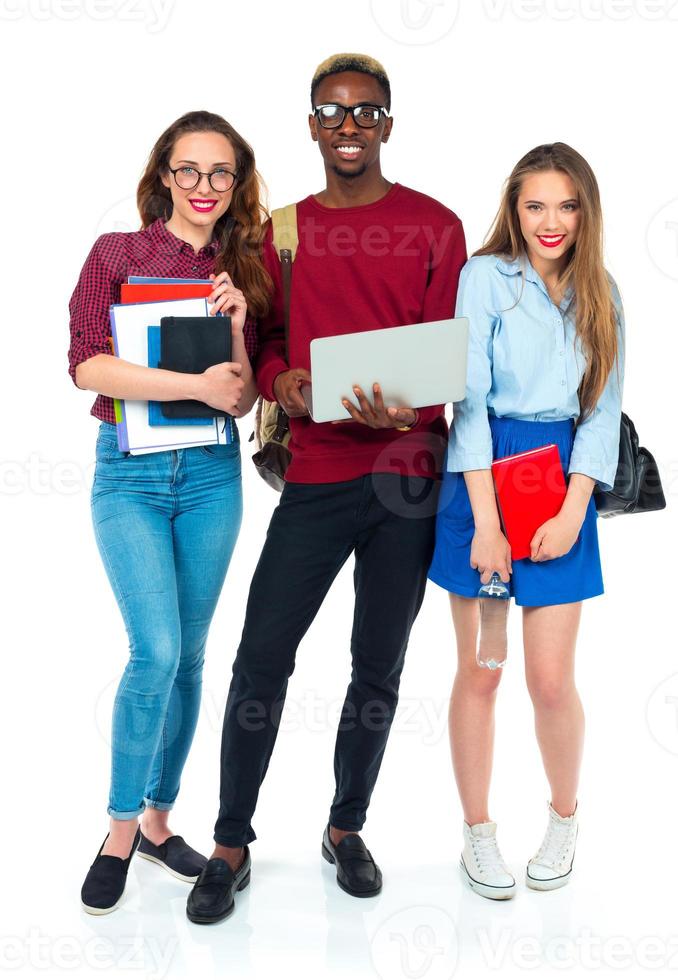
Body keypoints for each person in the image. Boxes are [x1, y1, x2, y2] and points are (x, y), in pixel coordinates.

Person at [185, 53, 467, 924]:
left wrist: (410, 405)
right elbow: (260, 339)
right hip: (315, 474)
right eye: (332, 111)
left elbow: (452, 354)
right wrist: (283, 385)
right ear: (312, 125)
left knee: (377, 664)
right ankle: (230, 839)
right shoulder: (278, 231)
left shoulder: (435, 226)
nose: (349, 125)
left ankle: (346, 828)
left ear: (388, 122)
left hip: (408, 479)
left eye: (366, 111)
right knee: (261, 656)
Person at [68, 110, 270, 914]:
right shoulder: (117, 254)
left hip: (213, 476)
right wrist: (191, 385)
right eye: (189, 171)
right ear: (163, 176)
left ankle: (158, 820)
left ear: (236, 183)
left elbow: (245, 395)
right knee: (151, 650)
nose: (204, 188)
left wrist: (239, 328)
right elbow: (87, 366)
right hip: (132, 476)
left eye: (221, 174)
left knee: (189, 657)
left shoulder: (242, 267)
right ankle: (119, 827)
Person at [427, 142, 625, 900]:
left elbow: (602, 412)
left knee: (548, 679)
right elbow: (466, 403)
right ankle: (478, 835)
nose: (551, 221)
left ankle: (564, 818)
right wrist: (486, 524)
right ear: (514, 208)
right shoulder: (485, 279)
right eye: (535, 205)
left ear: (585, 212)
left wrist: (575, 510)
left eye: (566, 205)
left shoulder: (601, 290)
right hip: (483, 478)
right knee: (483, 668)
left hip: (560, 476)